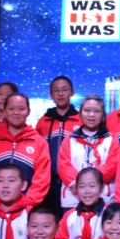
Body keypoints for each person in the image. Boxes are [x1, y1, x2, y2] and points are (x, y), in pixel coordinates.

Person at [0, 93, 51, 207]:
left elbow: (42, 180)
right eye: (11, 109)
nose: (16, 113)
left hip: (26, 209)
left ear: (28, 112)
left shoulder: (39, 142)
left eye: (21, 109)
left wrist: (28, 205)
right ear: (4, 111)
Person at [57, 94, 119, 213]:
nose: (91, 114)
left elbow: (112, 165)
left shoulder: (111, 139)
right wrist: (81, 185)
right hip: (72, 198)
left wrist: (90, 183)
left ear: (103, 115)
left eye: (97, 111)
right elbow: (64, 166)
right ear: (80, 113)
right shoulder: (69, 139)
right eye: (87, 110)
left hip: (103, 198)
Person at [36, 76, 82, 214]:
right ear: (51, 94)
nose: (60, 94)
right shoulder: (43, 121)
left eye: (64, 90)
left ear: (72, 92)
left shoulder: (81, 120)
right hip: (47, 183)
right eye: (56, 90)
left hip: (73, 183)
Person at [57, 168, 107, 239]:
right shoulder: (69, 216)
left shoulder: (111, 214)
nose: (87, 191)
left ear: (102, 188)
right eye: (82, 187)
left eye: (92, 186)